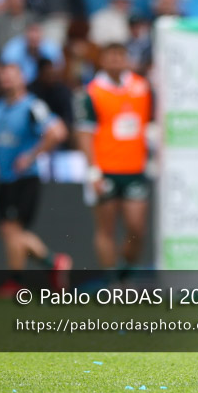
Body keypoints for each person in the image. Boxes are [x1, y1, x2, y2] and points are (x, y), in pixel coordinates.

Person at [0, 63, 72, 296]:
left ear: (23, 79)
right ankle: (53, 262)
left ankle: (15, 281)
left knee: (12, 229)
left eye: (12, 76)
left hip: (25, 178)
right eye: (3, 77)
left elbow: (57, 132)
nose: (6, 81)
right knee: (9, 231)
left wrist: (31, 156)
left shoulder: (33, 106)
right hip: (4, 178)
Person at [75, 43, 153, 282]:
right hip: (105, 169)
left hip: (134, 168)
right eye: (111, 57)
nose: (117, 61)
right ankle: (112, 282)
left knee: (136, 229)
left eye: (121, 56)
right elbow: (84, 134)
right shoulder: (92, 92)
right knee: (105, 229)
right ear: (102, 61)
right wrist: (92, 171)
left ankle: (125, 272)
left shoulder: (142, 87)